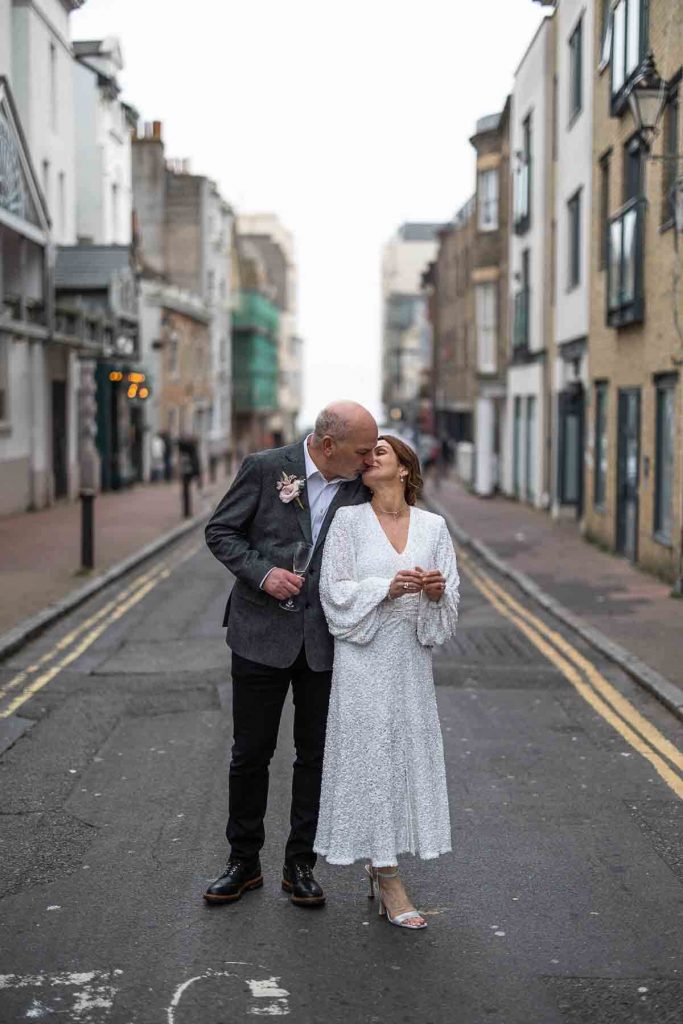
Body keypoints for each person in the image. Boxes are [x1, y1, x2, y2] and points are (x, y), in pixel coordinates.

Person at [203, 401, 378, 907]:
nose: (368, 460)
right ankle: (243, 862)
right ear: (328, 446)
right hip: (259, 635)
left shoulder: (359, 486)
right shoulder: (264, 469)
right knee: (250, 754)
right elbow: (220, 532)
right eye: (361, 451)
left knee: (316, 757)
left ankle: (300, 865)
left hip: (326, 642)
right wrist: (263, 573)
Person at [315, 434, 459, 930]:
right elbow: (333, 592)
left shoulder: (435, 527)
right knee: (372, 760)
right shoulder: (347, 523)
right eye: (366, 453)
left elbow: (448, 607)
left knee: (402, 759)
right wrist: (386, 587)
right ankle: (389, 876)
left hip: (409, 663)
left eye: (381, 451)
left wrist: (436, 594)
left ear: (404, 468)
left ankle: (382, 868)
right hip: (363, 659)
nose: (369, 457)